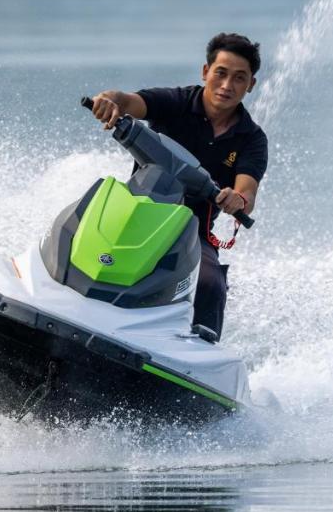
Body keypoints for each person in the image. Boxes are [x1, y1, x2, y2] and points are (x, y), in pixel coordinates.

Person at [87, 32, 268, 340]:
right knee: (81, 233)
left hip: (191, 232)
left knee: (211, 283)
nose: (227, 85)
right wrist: (109, 101)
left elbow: (246, 190)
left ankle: (200, 354)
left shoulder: (252, 139)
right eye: (220, 73)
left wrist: (237, 200)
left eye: (239, 78)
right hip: (137, 212)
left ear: (250, 85)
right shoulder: (176, 102)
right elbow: (129, 101)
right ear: (205, 72)